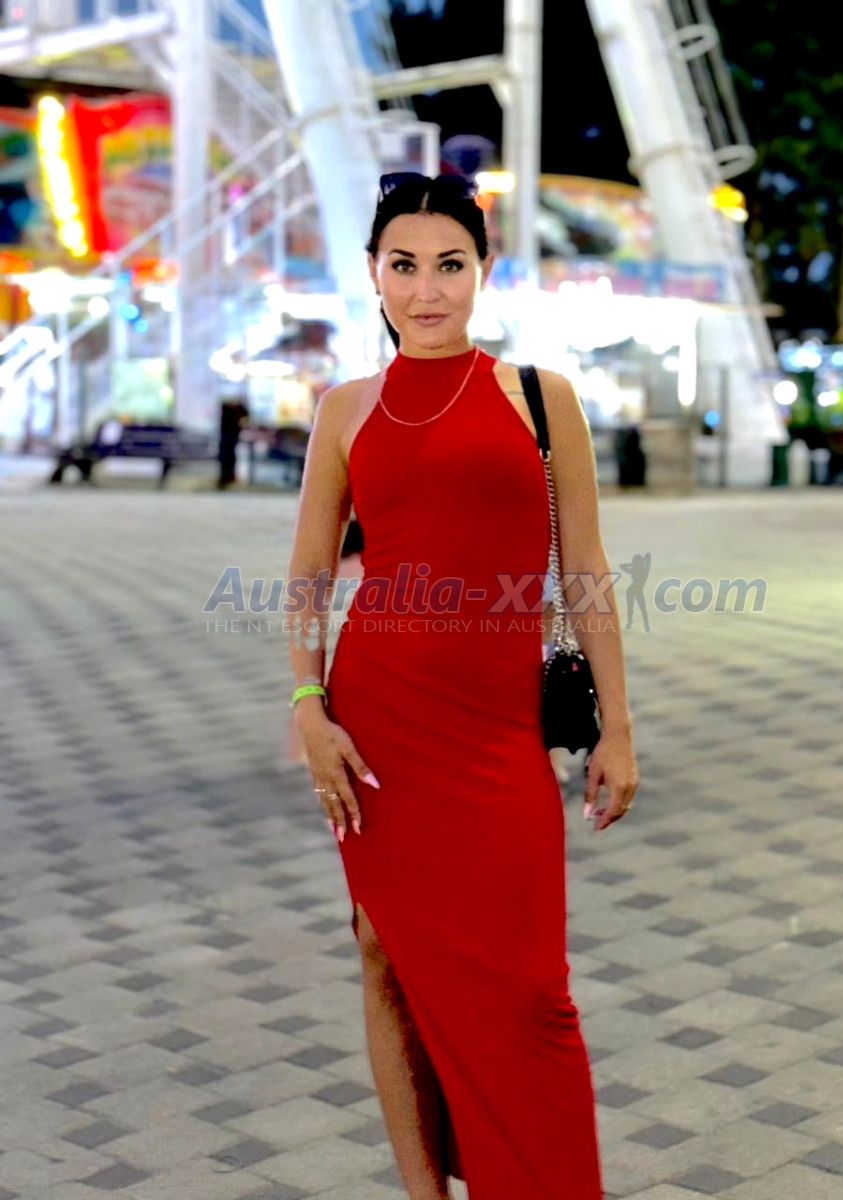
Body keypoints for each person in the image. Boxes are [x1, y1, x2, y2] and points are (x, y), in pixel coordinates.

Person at [284, 171, 640, 1200]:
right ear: (374, 274)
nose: (426, 289)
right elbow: (308, 576)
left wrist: (618, 728)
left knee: (530, 988)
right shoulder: (346, 411)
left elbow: (585, 571)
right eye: (404, 266)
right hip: (376, 722)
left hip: (497, 731)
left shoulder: (539, 397)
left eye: (449, 265)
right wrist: (307, 707)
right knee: (386, 954)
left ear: (484, 271)